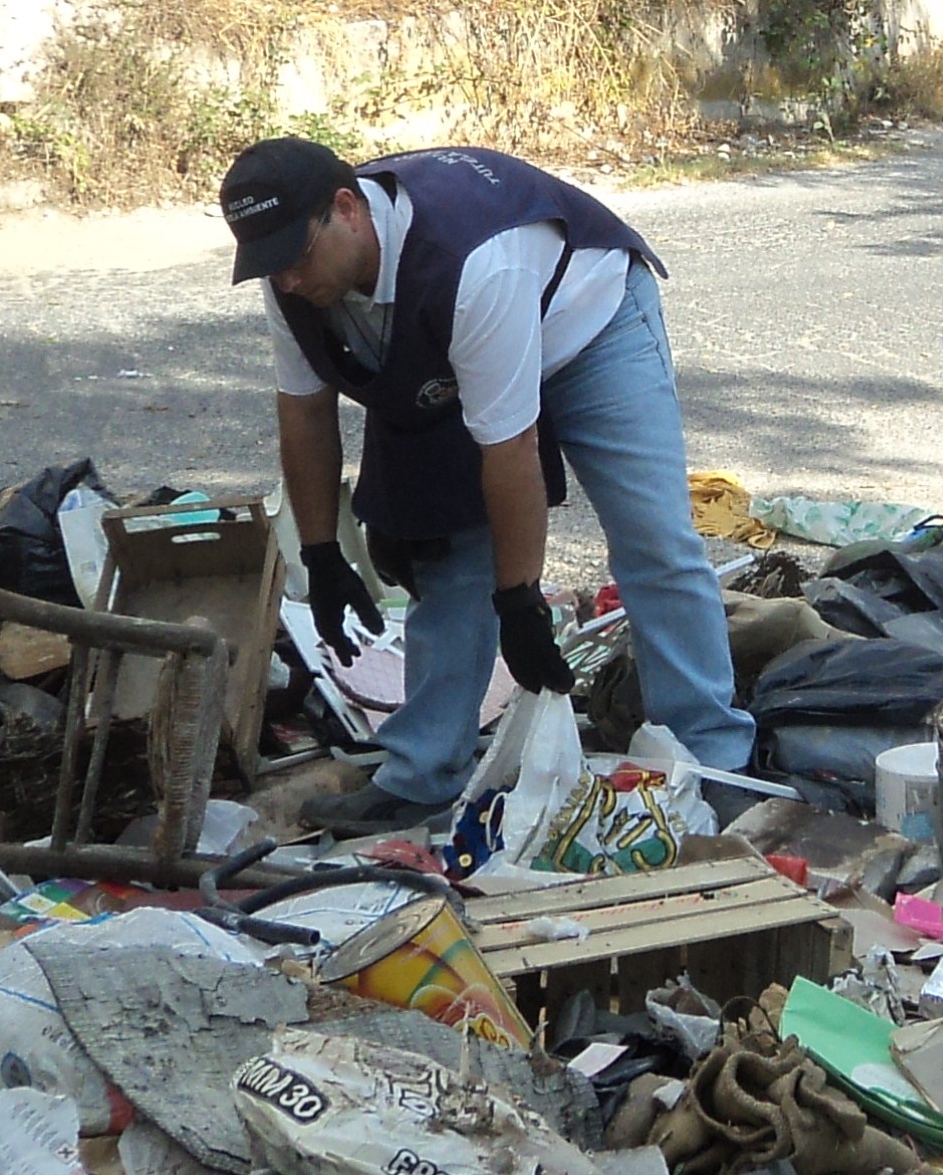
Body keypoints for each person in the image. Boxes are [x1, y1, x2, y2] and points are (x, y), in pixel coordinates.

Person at [219, 136, 754, 836]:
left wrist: (522, 602)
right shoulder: (295, 271)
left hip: (590, 326)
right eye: (270, 264)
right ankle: (420, 775)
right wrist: (319, 554)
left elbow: (511, 451)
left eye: (295, 258)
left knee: (654, 539)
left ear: (345, 210)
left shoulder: (477, 261)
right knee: (442, 553)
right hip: (450, 342)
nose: (286, 280)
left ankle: (712, 760)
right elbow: (305, 411)